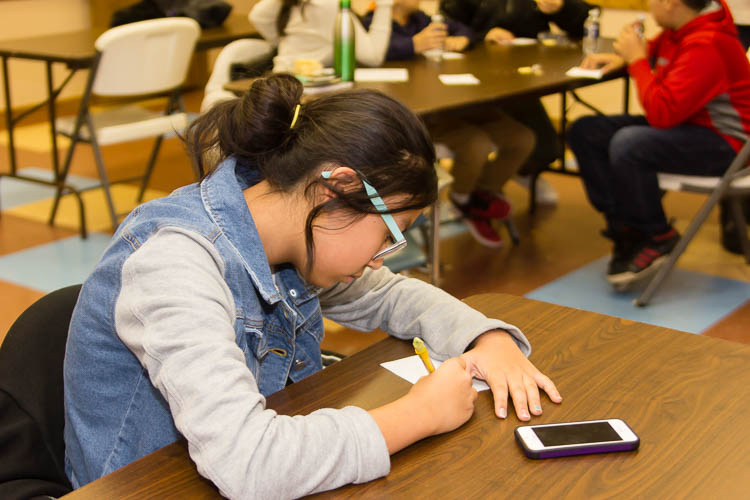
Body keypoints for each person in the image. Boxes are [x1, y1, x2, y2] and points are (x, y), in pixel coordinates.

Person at [63, 74, 562, 498]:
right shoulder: (176, 263)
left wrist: (487, 340)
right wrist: (419, 415)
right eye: (390, 235)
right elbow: (248, 462)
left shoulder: (285, 232)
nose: (380, 260)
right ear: (337, 187)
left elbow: (390, 295)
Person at [567, 0, 750, 289]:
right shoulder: (681, 29)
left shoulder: (709, 43)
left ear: (670, 2)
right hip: (690, 126)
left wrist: (637, 60)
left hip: (727, 146)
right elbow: (657, 54)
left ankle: (655, 234)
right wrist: (626, 58)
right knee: (585, 131)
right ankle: (628, 229)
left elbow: (662, 114)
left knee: (629, 144)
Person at [362, 0, 536, 247]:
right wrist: (412, 45)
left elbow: (464, 30)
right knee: (477, 143)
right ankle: (463, 200)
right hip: (417, 116)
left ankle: (479, 195)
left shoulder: (422, 19)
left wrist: (461, 40)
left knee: (521, 137)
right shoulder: (372, 24)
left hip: (452, 102)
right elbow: (369, 54)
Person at [440, 0, 595, 205]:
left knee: (547, 147)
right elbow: (446, 29)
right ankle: (469, 194)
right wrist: (483, 35)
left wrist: (561, 9)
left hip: (522, 80)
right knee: (484, 142)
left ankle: (494, 184)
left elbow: (589, 20)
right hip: (475, 83)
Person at [249, 0, 393, 73]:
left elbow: (258, 16)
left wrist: (283, 41)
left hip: (283, 82)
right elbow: (373, 57)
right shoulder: (327, 4)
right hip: (307, 93)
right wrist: (385, 5)